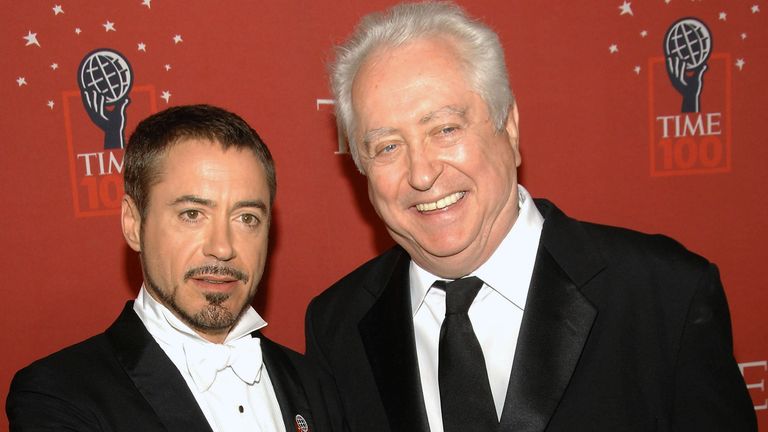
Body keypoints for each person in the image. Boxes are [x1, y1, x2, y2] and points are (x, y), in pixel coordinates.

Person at [304, 2, 757, 431]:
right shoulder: (337, 326)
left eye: (445, 129)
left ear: (510, 126)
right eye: (387, 147)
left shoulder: (664, 296)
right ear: (360, 167)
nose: (421, 174)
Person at [8, 105, 341, 432]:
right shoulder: (59, 395)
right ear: (134, 223)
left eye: (246, 218)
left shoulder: (315, 385)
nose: (222, 248)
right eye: (192, 214)